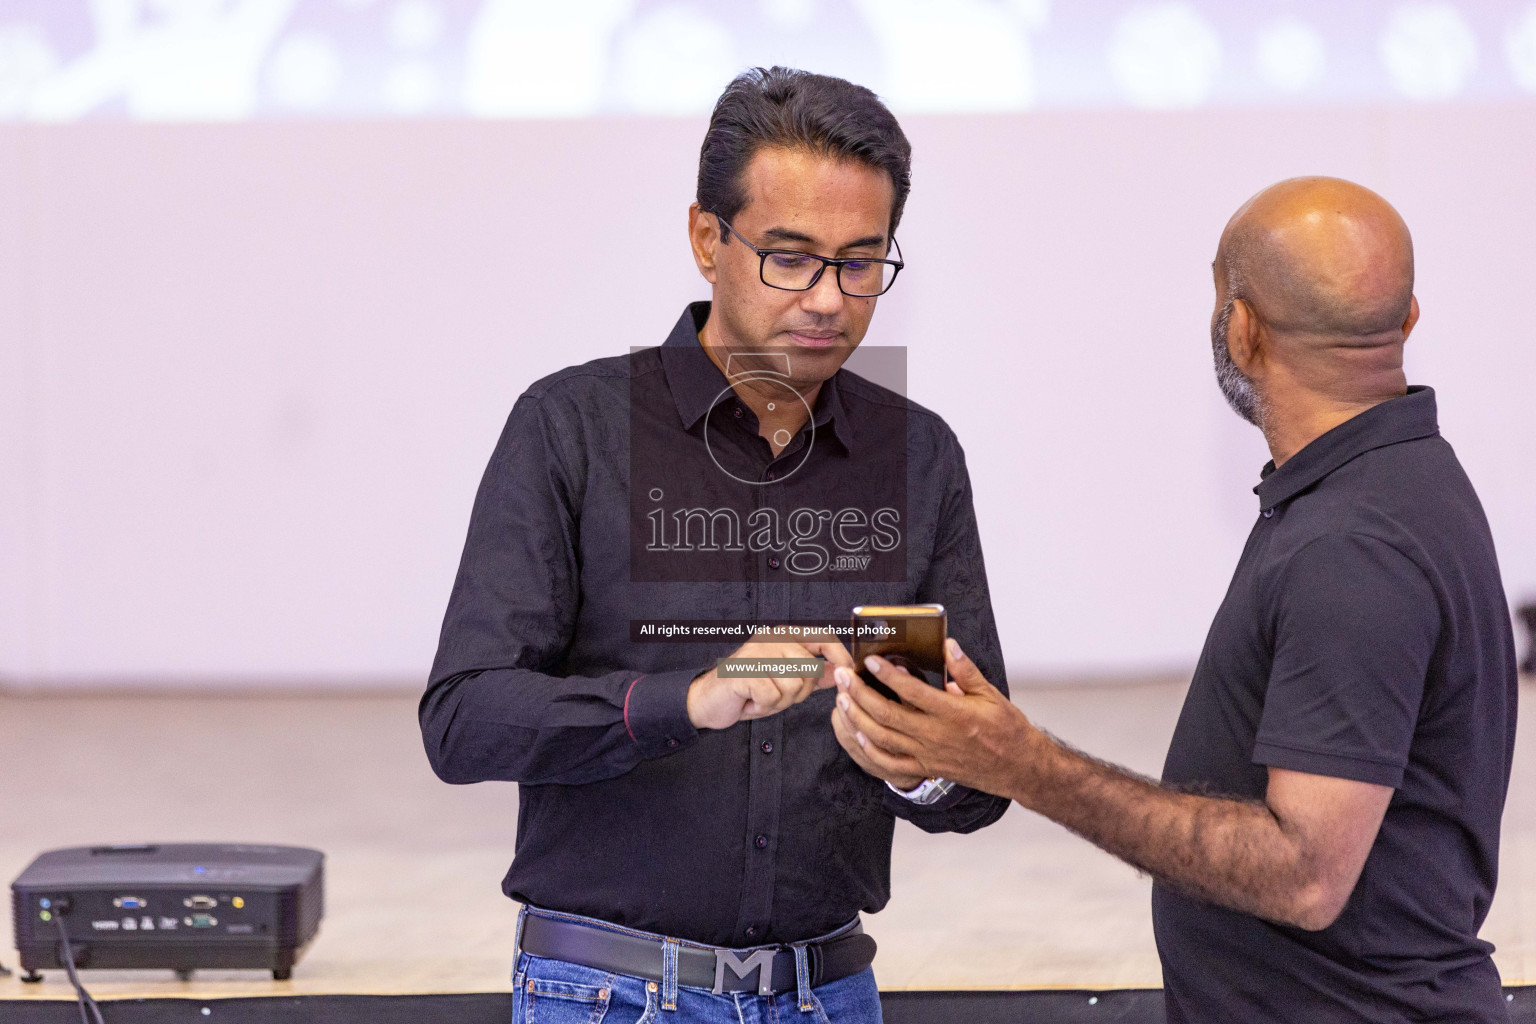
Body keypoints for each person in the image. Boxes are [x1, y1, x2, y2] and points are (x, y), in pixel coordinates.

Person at [831, 177, 1519, 1023]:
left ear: (1241, 328)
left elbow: (1304, 876)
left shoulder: (1352, 545)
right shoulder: (1398, 486)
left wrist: (1025, 765)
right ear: (1409, 319)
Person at [420, 67, 1010, 1024]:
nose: (828, 300)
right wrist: (686, 701)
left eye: (862, 263)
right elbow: (464, 721)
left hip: (830, 991)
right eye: (791, 257)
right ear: (706, 239)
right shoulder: (573, 428)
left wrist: (918, 760)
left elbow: (976, 778)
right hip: (603, 993)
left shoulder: (918, 456)